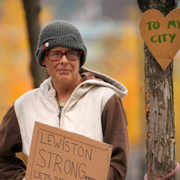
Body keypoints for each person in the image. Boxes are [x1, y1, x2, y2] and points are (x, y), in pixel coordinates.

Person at [0, 20, 129, 180]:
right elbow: (2, 157)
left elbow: (118, 164)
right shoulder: (24, 106)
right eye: (55, 54)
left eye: (71, 54)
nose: (64, 60)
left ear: (80, 58)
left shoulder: (106, 99)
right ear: (42, 59)